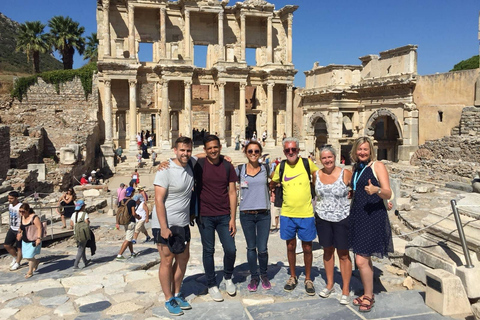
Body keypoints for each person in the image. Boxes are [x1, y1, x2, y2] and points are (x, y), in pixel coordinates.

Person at [269, 137, 318, 295]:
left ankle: (308, 278)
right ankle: (292, 276)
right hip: (287, 213)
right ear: (284, 152)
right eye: (288, 150)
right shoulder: (281, 166)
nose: (291, 152)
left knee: (307, 247)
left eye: (293, 149)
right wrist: (272, 190)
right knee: (290, 246)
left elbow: (318, 173)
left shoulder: (306, 163)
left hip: (306, 213)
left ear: (298, 150)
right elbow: (273, 180)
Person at [349, 137, 393, 312]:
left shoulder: (378, 166)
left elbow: (388, 193)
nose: (362, 152)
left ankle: (369, 295)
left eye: (365, 149)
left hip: (373, 216)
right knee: (363, 257)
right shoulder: (357, 168)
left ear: (371, 151)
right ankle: (368, 291)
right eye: (359, 149)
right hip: (359, 214)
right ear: (355, 151)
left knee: (360, 259)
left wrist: (377, 190)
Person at [153, 136, 195, 316]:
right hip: (165, 223)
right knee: (166, 260)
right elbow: (158, 199)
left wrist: (226, 158)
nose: (185, 153)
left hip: (183, 222)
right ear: (175, 151)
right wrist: (163, 226)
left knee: (183, 258)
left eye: (188, 150)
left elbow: (206, 155)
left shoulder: (191, 163)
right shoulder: (165, 170)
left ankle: (177, 293)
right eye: (182, 150)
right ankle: (168, 298)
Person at [195, 135, 238, 302]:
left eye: (215, 147)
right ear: (205, 150)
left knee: (231, 249)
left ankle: (228, 277)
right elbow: (186, 157)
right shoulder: (199, 163)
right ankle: (212, 283)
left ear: (220, 147)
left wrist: (233, 218)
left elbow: (232, 192)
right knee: (208, 250)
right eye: (209, 148)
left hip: (224, 215)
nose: (213, 150)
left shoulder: (228, 166)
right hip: (205, 215)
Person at [313, 145, 353, 305]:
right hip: (323, 217)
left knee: (343, 254)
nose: (327, 160)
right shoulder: (316, 174)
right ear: (320, 159)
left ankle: (345, 288)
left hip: (342, 218)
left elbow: (357, 191)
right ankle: (330, 284)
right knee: (327, 251)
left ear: (335, 157)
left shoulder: (345, 173)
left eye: (330, 157)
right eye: (324, 158)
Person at [236, 140, 272, 292]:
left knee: (262, 248)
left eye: (256, 151)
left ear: (260, 153)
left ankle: (263, 274)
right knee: (251, 247)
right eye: (250, 151)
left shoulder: (266, 168)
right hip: (246, 214)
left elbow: (276, 181)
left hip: (264, 213)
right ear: (245, 152)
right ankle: (254, 276)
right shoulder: (239, 169)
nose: (253, 154)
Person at [16, 203, 41, 279]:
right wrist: (19, 233)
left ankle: (30, 272)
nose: (21, 213)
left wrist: (39, 238)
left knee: (30, 256)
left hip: (33, 239)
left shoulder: (34, 217)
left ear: (28, 210)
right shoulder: (22, 217)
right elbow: (21, 227)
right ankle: (36, 262)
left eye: (23, 211)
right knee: (26, 256)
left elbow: (39, 227)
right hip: (25, 239)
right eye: (20, 211)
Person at [115, 187, 141, 260]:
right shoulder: (132, 201)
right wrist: (138, 217)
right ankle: (119, 255)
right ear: (132, 193)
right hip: (131, 222)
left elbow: (119, 212)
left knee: (129, 237)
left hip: (124, 221)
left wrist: (117, 222)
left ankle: (132, 253)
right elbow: (133, 213)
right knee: (128, 239)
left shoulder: (121, 201)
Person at [70, 200, 91, 270]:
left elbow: (71, 224)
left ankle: (85, 261)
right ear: (82, 207)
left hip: (76, 233)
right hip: (83, 233)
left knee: (82, 247)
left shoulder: (73, 214)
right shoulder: (84, 214)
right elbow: (87, 222)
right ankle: (75, 265)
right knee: (81, 249)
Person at [5, 191, 22, 271]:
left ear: (16, 198)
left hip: (19, 229)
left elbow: (23, 218)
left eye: (11, 198)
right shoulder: (10, 206)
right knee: (7, 245)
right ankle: (15, 257)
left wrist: (20, 230)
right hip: (12, 228)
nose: (9, 200)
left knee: (19, 248)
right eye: (8, 198)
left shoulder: (20, 206)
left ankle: (18, 263)